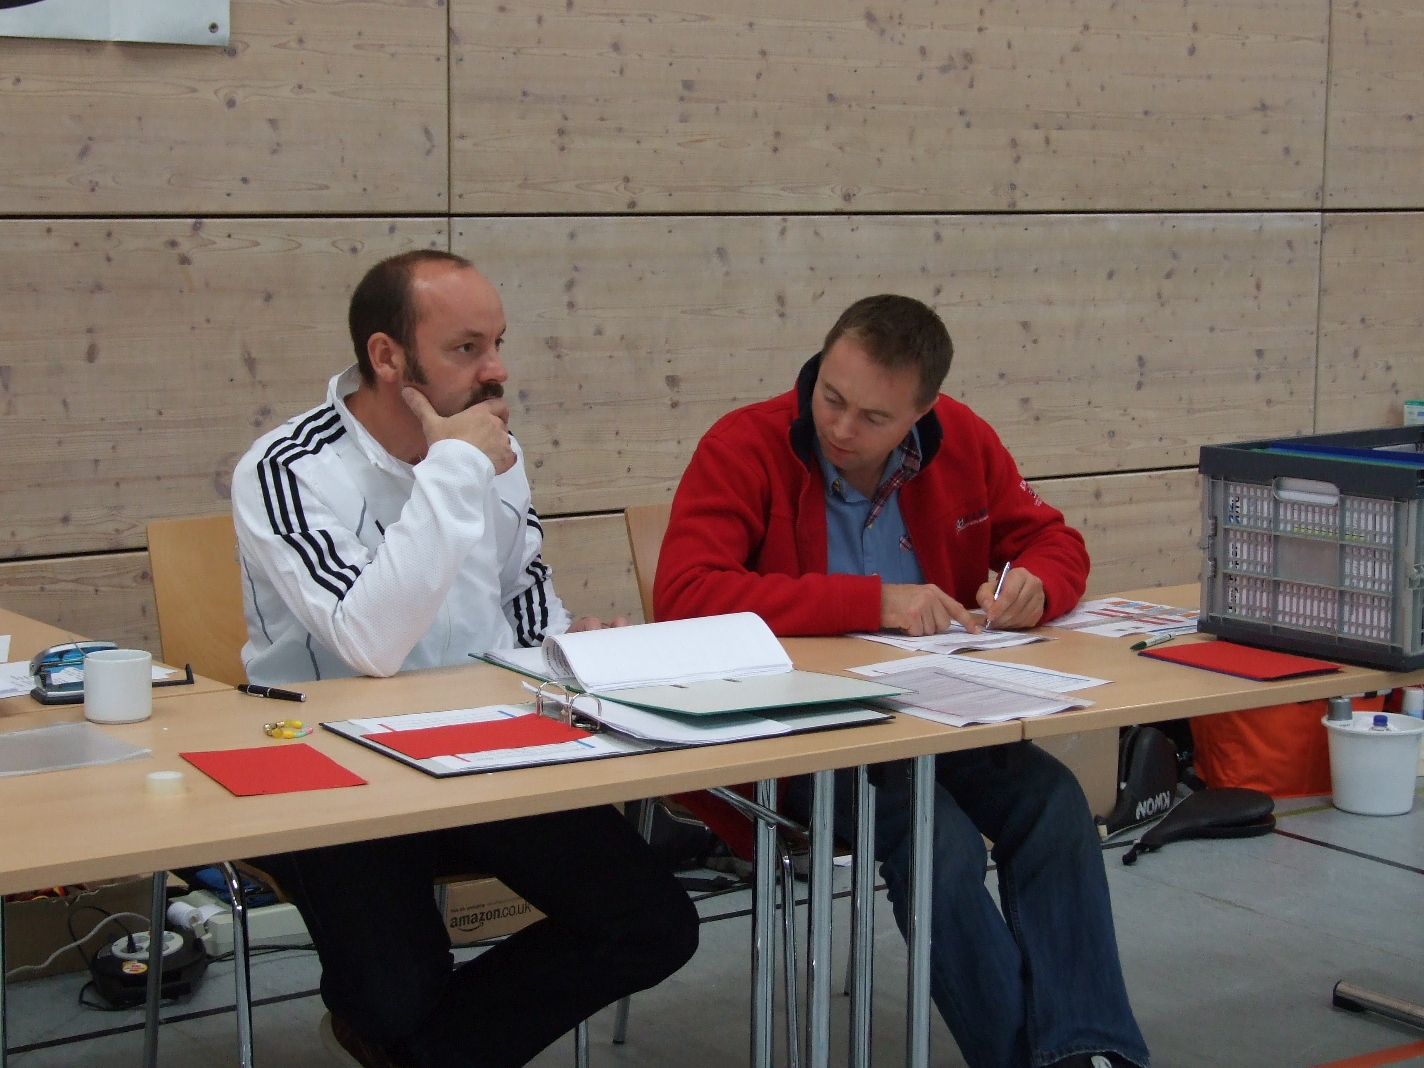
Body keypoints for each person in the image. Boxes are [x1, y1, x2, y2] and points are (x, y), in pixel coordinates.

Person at [655, 294, 1150, 1068]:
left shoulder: (965, 441)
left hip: (937, 716)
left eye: (874, 417)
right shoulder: (744, 445)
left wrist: (1037, 585)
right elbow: (685, 595)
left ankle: (1088, 1048)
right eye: (831, 397)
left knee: (1054, 804)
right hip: (803, 738)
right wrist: (872, 602)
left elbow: (1053, 540)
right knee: (937, 842)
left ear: (923, 413)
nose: (841, 428)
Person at [232, 250, 698, 1068]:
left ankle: (417, 1054)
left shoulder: (491, 454)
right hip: (330, 774)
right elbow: (369, 641)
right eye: (466, 348)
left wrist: (565, 650)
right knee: (395, 997)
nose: (497, 370)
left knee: (654, 924)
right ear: (388, 357)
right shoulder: (287, 468)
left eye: (498, 343)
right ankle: (405, 1034)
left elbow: (522, 596)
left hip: (482, 748)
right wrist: (453, 466)